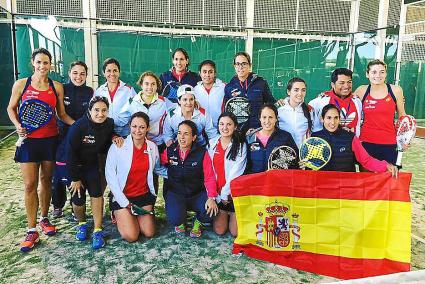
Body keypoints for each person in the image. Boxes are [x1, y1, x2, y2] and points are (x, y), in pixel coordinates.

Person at [7, 48, 74, 252]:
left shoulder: (57, 87)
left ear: (51, 64)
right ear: (32, 63)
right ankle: (31, 229)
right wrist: (17, 124)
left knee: (47, 181)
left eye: (46, 63)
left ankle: (44, 219)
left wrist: (79, 126)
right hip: (28, 142)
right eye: (39, 62)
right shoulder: (21, 84)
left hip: (50, 140)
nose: (42, 66)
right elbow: (11, 108)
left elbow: (61, 114)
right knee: (29, 185)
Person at [66, 96, 120, 249]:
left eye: (104, 110)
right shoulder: (78, 126)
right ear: (89, 111)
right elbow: (70, 153)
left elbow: (109, 134)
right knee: (78, 201)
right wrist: (75, 178)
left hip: (93, 166)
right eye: (96, 110)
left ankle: (97, 229)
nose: (100, 114)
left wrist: (115, 136)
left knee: (97, 195)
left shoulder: (109, 123)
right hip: (76, 167)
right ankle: (82, 223)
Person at [106, 112, 166, 242]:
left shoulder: (152, 147)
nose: (137, 130)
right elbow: (110, 177)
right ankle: (118, 213)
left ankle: (133, 217)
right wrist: (125, 203)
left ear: (148, 128)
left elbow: (157, 169)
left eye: (142, 127)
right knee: (132, 236)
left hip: (143, 195)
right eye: (134, 126)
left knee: (149, 232)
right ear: (129, 127)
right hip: (123, 197)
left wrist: (180, 172)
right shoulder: (118, 146)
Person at [161, 120, 219, 238]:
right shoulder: (170, 150)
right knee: (174, 219)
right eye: (179, 133)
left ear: (194, 137)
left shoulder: (202, 153)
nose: (182, 137)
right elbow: (159, 164)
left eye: (186, 134)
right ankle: (180, 220)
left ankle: (197, 221)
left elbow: (209, 177)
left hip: (196, 193)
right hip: (176, 193)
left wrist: (212, 197)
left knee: (210, 212)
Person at [51, 61, 93, 218]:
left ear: (86, 75)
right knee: (59, 173)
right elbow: (60, 113)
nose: (78, 76)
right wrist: (76, 126)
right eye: (75, 73)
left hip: (81, 137)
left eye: (82, 73)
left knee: (76, 170)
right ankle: (57, 204)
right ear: (69, 73)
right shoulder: (62, 88)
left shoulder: (90, 92)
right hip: (62, 136)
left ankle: (76, 204)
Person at [310, 104, 398, 176]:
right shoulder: (314, 138)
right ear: (322, 119)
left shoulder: (350, 137)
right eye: (329, 118)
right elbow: (310, 164)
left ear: (340, 119)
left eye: (336, 118)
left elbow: (366, 160)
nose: (332, 122)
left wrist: (385, 166)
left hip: (346, 186)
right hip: (323, 186)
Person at [353, 60, 408, 165]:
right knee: (366, 179)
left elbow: (402, 116)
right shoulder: (361, 90)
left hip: (389, 142)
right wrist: (327, 94)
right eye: (374, 72)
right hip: (366, 142)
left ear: (386, 74)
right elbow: (345, 102)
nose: (378, 75)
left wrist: (404, 139)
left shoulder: (396, 90)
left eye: (382, 72)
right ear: (367, 74)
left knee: (389, 178)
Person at [207, 113, 246, 237]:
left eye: (229, 124)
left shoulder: (240, 145)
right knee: (219, 230)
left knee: (235, 233)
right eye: (221, 124)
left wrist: (225, 194)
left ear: (235, 127)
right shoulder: (212, 144)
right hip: (218, 196)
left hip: (232, 195)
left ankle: (233, 214)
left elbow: (236, 173)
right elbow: (209, 172)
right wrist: (215, 196)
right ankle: (224, 213)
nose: (225, 127)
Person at [224, 52, 276, 134]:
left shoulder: (261, 83)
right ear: (234, 66)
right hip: (237, 131)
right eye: (237, 64)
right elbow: (227, 111)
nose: (240, 67)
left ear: (250, 65)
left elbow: (271, 105)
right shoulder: (229, 87)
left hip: (258, 129)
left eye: (244, 64)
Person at [246, 104, 299, 174]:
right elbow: (245, 165)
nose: (267, 121)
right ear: (260, 118)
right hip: (255, 181)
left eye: (270, 117)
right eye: (264, 117)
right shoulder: (250, 138)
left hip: (278, 182)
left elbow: (295, 162)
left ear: (276, 119)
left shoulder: (285, 137)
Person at [309, 68, 362, 136]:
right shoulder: (320, 102)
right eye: (342, 83)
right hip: (327, 144)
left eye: (349, 82)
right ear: (333, 85)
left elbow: (358, 127)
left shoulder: (357, 101)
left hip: (350, 143)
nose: (346, 86)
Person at [94, 58, 137, 137]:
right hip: (103, 131)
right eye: (109, 71)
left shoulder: (129, 90)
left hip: (124, 133)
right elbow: (94, 111)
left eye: (115, 70)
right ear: (104, 73)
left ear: (119, 72)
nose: (112, 74)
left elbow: (135, 110)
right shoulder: (99, 91)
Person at [277, 77, 312, 148]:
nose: (300, 93)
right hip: (283, 154)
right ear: (288, 92)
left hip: (303, 153)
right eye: (296, 90)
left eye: (303, 90)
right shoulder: (278, 110)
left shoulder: (309, 110)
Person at [194, 60, 226, 129]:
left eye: (210, 72)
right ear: (200, 73)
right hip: (201, 129)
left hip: (220, 128)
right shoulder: (195, 90)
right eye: (204, 72)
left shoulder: (224, 87)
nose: (207, 75)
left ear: (215, 73)